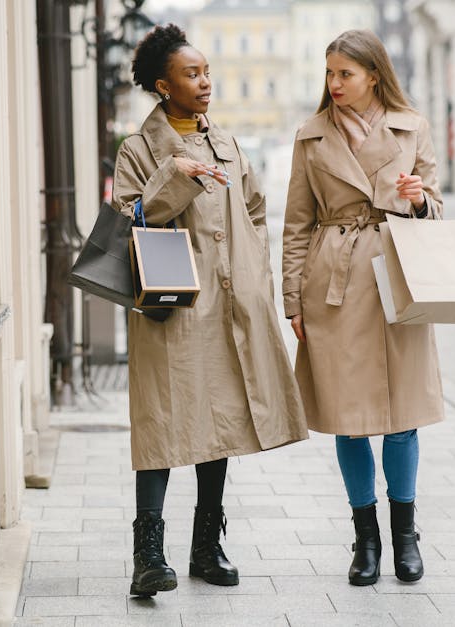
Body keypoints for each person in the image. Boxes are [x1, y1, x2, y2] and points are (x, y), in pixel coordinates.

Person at [112, 24, 309, 598]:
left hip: (228, 304)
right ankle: (148, 554)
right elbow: (131, 221)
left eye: (206, 73)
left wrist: (256, 284)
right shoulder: (139, 149)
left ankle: (205, 546)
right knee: (162, 421)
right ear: (162, 85)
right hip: (171, 305)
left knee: (218, 423)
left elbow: (253, 214)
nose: (205, 83)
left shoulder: (226, 141)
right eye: (191, 74)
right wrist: (177, 176)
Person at [281, 29, 445, 586]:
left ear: (373, 74)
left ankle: (406, 537)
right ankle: (365, 541)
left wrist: (421, 201)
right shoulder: (311, 137)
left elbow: (437, 208)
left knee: (401, 419)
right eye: (329, 74)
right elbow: (295, 226)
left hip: (397, 279)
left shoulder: (412, 127)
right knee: (349, 422)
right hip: (336, 283)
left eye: (344, 74)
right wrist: (292, 300)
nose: (334, 84)